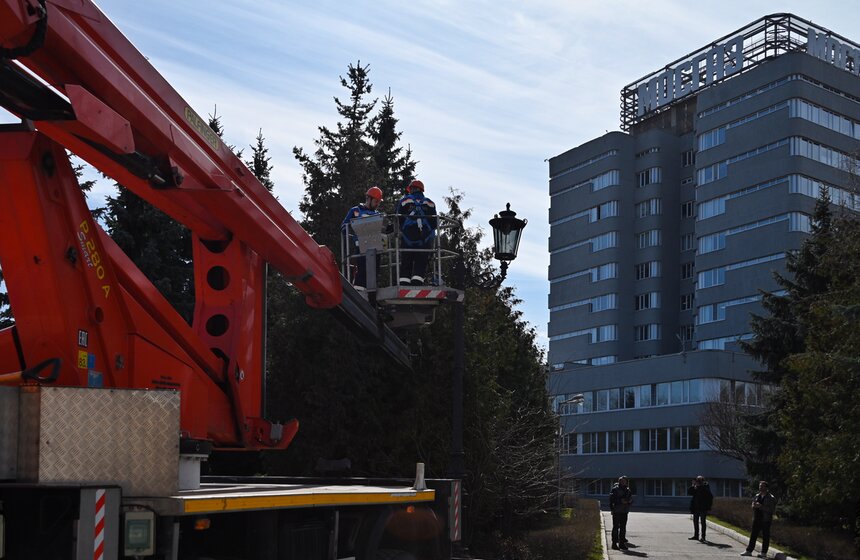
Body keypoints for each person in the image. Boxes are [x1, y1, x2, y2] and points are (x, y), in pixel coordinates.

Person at [394, 179, 437, 285]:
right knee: (421, 261)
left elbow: (398, 218)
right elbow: (434, 224)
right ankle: (417, 282)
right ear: (421, 190)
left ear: (412, 189)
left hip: (407, 239)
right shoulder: (430, 203)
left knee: (406, 261)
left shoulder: (405, 201)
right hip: (424, 239)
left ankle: (404, 282)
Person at [341, 186, 383, 289]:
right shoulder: (356, 210)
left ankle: (371, 293)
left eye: (379, 202)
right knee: (363, 269)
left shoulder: (378, 214)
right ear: (369, 199)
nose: (377, 204)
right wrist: (353, 228)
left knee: (375, 271)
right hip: (361, 246)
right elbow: (344, 226)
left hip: (375, 246)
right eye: (376, 201)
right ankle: (359, 290)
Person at [740, 481, 777, 557]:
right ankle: (749, 551)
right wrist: (753, 506)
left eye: (762, 486)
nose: (760, 487)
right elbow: (753, 504)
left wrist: (761, 506)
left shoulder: (771, 498)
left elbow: (771, 510)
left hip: (765, 519)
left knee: (765, 536)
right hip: (756, 518)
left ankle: (763, 553)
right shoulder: (757, 496)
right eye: (760, 486)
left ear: (766, 488)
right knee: (753, 535)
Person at [609, 475, 633, 550]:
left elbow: (631, 499)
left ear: (626, 482)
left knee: (623, 527)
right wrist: (619, 501)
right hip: (617, 510)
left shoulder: (628, 490)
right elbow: (611, 499)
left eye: (624, 481)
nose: (622, 482)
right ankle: (614, 543)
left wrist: (629, 501)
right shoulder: (615, 489)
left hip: (624, 511)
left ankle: (622, 543)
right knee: (616, 527)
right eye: (621, 481)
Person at [688, 475, 714, 542]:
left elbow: (710, 496)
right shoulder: (695, 487)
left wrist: (701, 486)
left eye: (699, 480)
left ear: (702, 481)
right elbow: (689, 492)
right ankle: (696, 535)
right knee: (695, 522)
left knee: (703, 522)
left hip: (703, 508)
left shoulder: (705, 487)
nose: (698, 482)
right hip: (696, 507)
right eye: (697, 480)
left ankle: (703, 537)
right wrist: (693, 485)